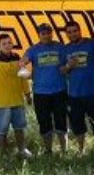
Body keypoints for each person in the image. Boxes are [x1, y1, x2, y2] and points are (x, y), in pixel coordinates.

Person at [0, 33, 33, 158]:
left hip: (17, 100)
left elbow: (22, 77)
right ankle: (3, 153)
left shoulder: (17, 57)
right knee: (1, 130)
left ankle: (22, 150)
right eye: (4, 43)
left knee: (19, 128)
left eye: (9, 42)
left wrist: (27, 94)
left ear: (12, 44)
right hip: (2, 102)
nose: (7, 45)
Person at [21, 23, 68, 154]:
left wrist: (66, 68)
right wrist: (27, 73)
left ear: (51, 33)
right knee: (44, 123)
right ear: (39, 35)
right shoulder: (33, 50)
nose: (46, 36)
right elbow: (21, 64)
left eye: (48, 33)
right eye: (43, 33)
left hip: (59, 90)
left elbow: (67, 66)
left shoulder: (60, 47)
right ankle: (48, 150)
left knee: (61, 121)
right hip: (40, 93)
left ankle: (65, 150)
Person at [62, 21, 94, 154]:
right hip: (74, 94)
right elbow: (62, 70)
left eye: (75, 31)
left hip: (93, 91)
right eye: (69, 32)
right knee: (77, 124)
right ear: (66, 34)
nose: (72, 34)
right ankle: (81, 150)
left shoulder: (93, 44)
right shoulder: (65, 49)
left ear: (80, 30)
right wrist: (68, 66)